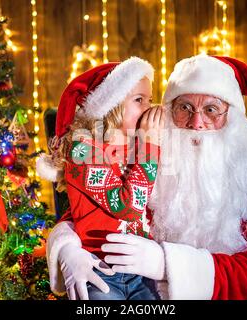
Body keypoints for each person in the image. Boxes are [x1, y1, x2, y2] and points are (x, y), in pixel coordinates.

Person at [44, 55, 247, 300]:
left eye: (211, 110)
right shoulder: (152, 155)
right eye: (185, 108)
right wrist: (67, 247)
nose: (197, 123)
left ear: (232, 116)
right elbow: (91, 207)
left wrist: (167, 264)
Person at [37, 56, 164, 300]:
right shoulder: (81, 149)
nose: (148, 108)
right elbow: (126, 207)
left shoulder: (138, 147)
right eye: (139, 100)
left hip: (143, 272)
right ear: (112, 105)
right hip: (101, 271)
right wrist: (150, 146)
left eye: (150, 99)